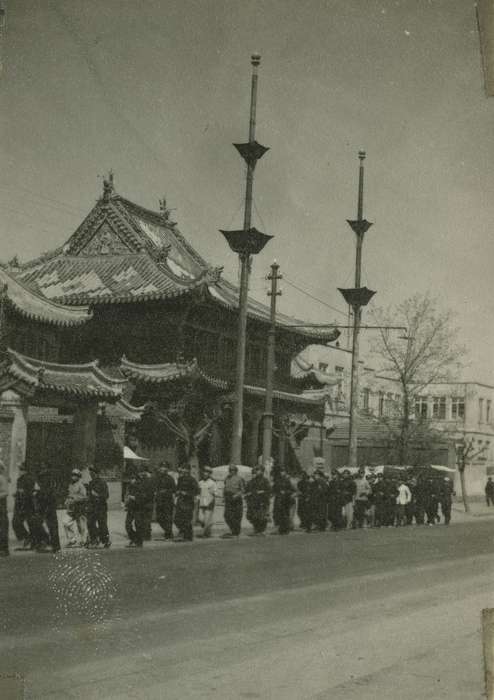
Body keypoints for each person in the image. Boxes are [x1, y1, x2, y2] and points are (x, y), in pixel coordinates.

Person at [34, 466, 60, 553]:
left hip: (44, 504)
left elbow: (43, 492)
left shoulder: (43, 479)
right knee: (52, 525)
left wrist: (37, 495)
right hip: (50, 504)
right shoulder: (51, 479)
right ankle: (55, 546)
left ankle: (43, 543)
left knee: (39, 523)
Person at [12, 463, 37, 549]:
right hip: (19, 504)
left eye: (21, 469)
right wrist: (17, 494)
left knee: (30, 523)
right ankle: (27, 537)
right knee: (16, 522)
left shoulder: (30, 479)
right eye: (20, 469)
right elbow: (20, 491)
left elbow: (31, 491)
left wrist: (23, 493)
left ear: (25, 470)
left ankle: (34, 541)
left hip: (28, 504)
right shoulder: (19, 479)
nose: (20, 471)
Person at [63, 469, 88, 547]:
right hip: (71, 509)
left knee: (81, 526)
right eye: (72, 475)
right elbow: (69, 494)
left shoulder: (81, 485)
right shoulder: (71, 485)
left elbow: (84, 497)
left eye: (75, 475)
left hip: (80, 508)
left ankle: (84, 540)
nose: (73, 476)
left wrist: (74, 499)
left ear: (79, 476)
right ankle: (72, 539)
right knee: (66, 522)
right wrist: (67, 500)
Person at [174, 464, 199, 542]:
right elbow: (177, 488)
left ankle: (188, 536)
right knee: (177, 519)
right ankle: (182, 531)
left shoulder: (192, 480)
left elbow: (196, 491)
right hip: (180, 501)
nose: (184, 471)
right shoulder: (180, 479)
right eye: (183, 469)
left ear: (188, 470)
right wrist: (177, 492)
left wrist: (187, 493)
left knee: (187, 519)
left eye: (185, 469)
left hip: (188, 502)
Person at [86, 465, 110, 548]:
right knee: (90, 523)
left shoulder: (102, 483)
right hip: (92, 507)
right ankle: (94, 539)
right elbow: (88, 495)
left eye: (92, 473)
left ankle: (106, 540)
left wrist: (97, 495)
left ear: (96, 473)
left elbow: (106, 495)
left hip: (101, 507)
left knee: (102, 524)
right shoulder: (91, 483)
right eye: (90, 473)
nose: (91, 475)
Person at [245, 466, 271, 535]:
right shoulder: (253, 481)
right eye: (256, 470)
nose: (257, 472)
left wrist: (262, 492)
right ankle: (256, 530)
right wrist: (249, 494)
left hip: (262, 501)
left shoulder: (265, 480)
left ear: (262, 471)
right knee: (253, 516)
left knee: (261, 516)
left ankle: (261, 531)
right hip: (254, 501)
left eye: (258, 470)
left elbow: (269, 490)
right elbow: (248, 490)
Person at [155, 461, 176, 540]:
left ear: (167, 469)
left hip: (167, 501)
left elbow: (174, 489)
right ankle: (168, 531)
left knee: (168, 518)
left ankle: (168, 534)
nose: (163, 469)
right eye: (161, 467)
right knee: (159, 518)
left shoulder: (170, 479)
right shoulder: (157, 478)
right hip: (159, 501)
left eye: (164, 467)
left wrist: (166, 491)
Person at [222, 465, 244, 538]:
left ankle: (236, 532)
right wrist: (224, 497)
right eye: (230, 470)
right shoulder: (226, 478)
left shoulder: (240, 479)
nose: (231, 471)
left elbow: (243, 490)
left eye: (233, 470)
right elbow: (225, 488)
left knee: (236, 515)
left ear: (236, 471)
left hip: (236, 498)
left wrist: (237, 495)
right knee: (227, 515)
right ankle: (232, 530)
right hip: (228, 498)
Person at [272, 467, 295, 535]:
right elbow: (273, 489)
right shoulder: (277, 481)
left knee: (285, 515)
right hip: (278, 500)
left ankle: (285, 529)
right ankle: (279, 529)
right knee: (277, 514)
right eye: (281, 471)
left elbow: (292, 490)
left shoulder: (287, 481)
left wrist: (285, 492)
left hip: (285, 500)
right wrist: (275, 492)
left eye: (283, 471)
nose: (282, 473)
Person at [198, 466, 217, 538]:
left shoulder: (212, 483)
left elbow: (216, 493)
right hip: (202, 502)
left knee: (206, 519)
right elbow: (198, 492)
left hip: (209, 502)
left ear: (209, 474)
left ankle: (204, 534)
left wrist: (213, 494)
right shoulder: (200, 482)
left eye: (207, 472)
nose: (205, 474)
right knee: (200, 519)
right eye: (204, 472)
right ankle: (208, 528)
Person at [0, 462, 9, 557]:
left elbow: (5, 492)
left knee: (2, 526)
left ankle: (4, 548)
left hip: (1, 504)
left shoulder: (1, 478)